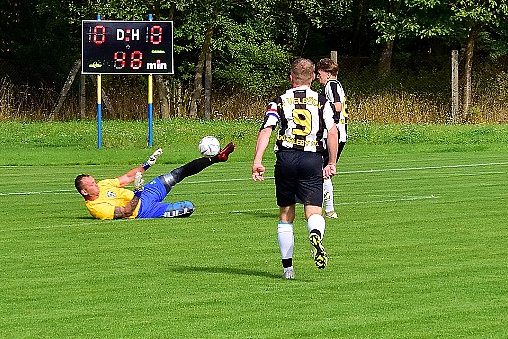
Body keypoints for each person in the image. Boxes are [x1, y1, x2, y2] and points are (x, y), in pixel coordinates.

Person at [252, 57, 338, 279]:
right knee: (314, 210)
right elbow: (332, 132)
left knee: (286, 214)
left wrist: (257, 161)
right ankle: (316, 234)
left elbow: (266, 129)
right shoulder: (322, 101)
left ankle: (288, 269)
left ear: (291, 78)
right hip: (312, 159)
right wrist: (331, 163)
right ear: (312, 78)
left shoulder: (279, 101)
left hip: (286, 158)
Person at [75, 143, 235, 220]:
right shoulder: (96, 209)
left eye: (94, 181)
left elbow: (128, 178)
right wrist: (137, 193)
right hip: (144, 211)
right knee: (188, 207)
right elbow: (126, 212)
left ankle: (217, 158)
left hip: (146, 195)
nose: (96, 185)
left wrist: (147, 165)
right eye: (92, 185)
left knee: (177, 174)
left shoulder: (103, 185)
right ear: (84, 192)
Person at [315, 58, 347, 219]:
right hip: (337, 134)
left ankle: (328, 209)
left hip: (333, 135)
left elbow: (338, 106)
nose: (316, 76)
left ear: (327, 73)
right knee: (321, 170)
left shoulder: (331, 85)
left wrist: (323, 117)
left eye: (319, 73)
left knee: (322, 170)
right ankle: (327, 209)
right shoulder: (334, 85)